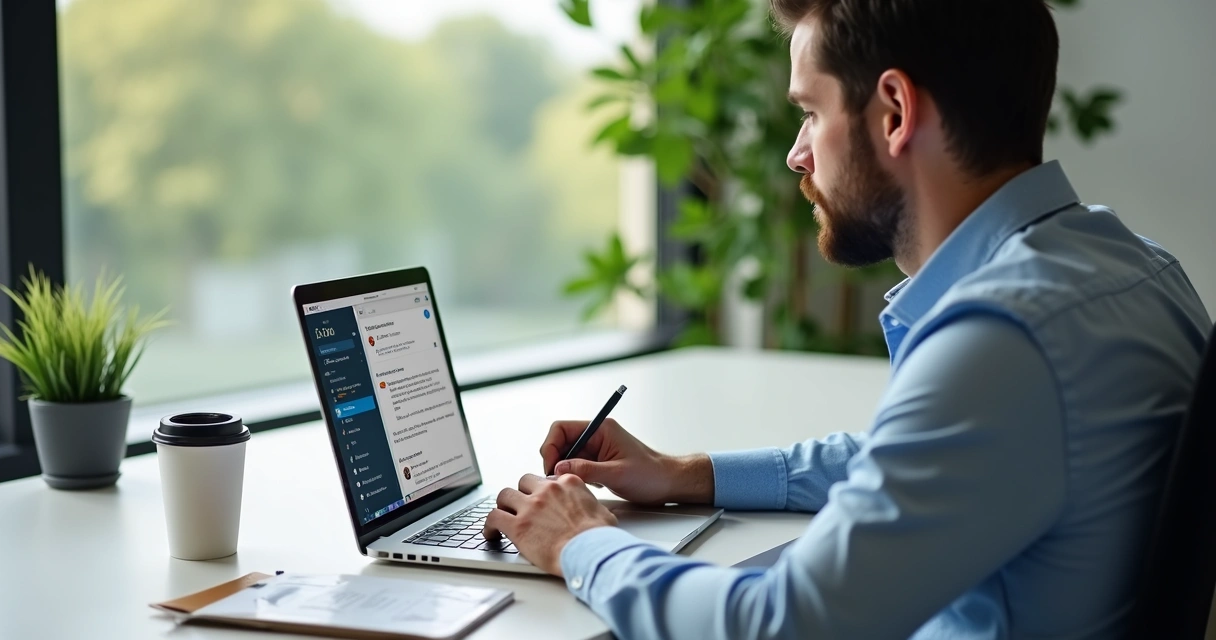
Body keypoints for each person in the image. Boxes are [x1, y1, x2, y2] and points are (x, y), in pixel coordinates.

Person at [481, 0, 1212, 638]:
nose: (798, 155)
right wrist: (689, 474)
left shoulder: (1003, 341)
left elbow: (784, 625)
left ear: (894, 112)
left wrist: (581, 541)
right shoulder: (1132, 268)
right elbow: (914, 460)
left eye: (810, 111)